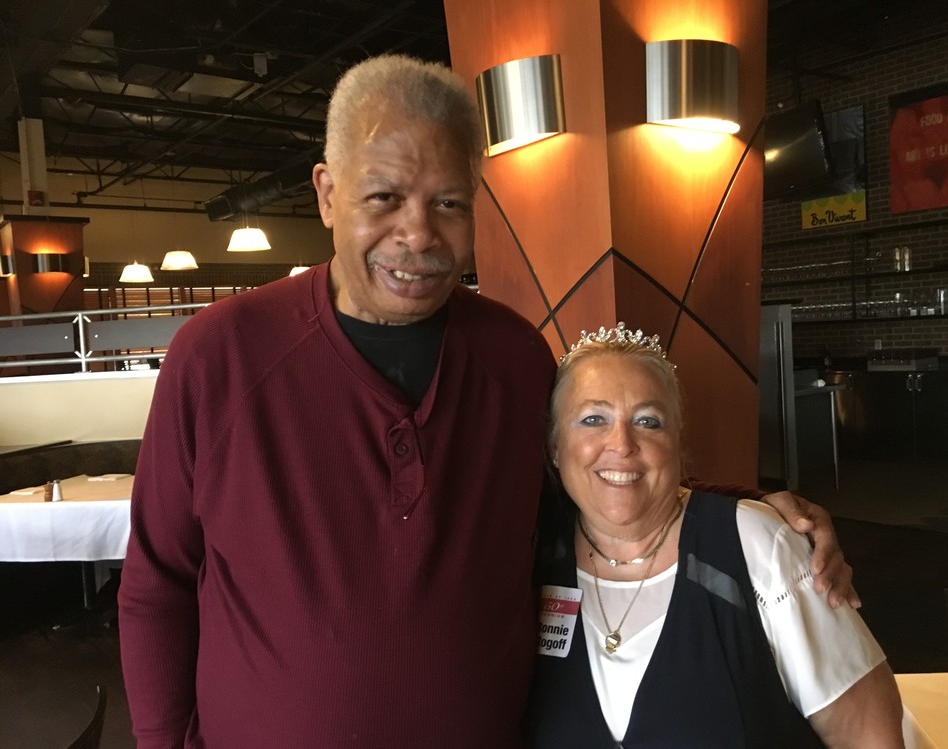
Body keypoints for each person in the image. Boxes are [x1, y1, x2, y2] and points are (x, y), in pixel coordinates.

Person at [118, 55, 856, 748]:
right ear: (327, 193)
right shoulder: (219, 356)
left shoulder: (511, 356)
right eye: (384, 198)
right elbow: (157, 585)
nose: (418, 234)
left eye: (448, 203)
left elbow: (581, 498)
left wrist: (748, 512)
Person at [526, 323, 904, 748]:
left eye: (648, 421)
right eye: (593, 419)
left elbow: (869, 734)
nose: (622, 444)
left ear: (678, 444)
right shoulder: (531, 553)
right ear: (555, 446)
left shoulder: (755, 545)